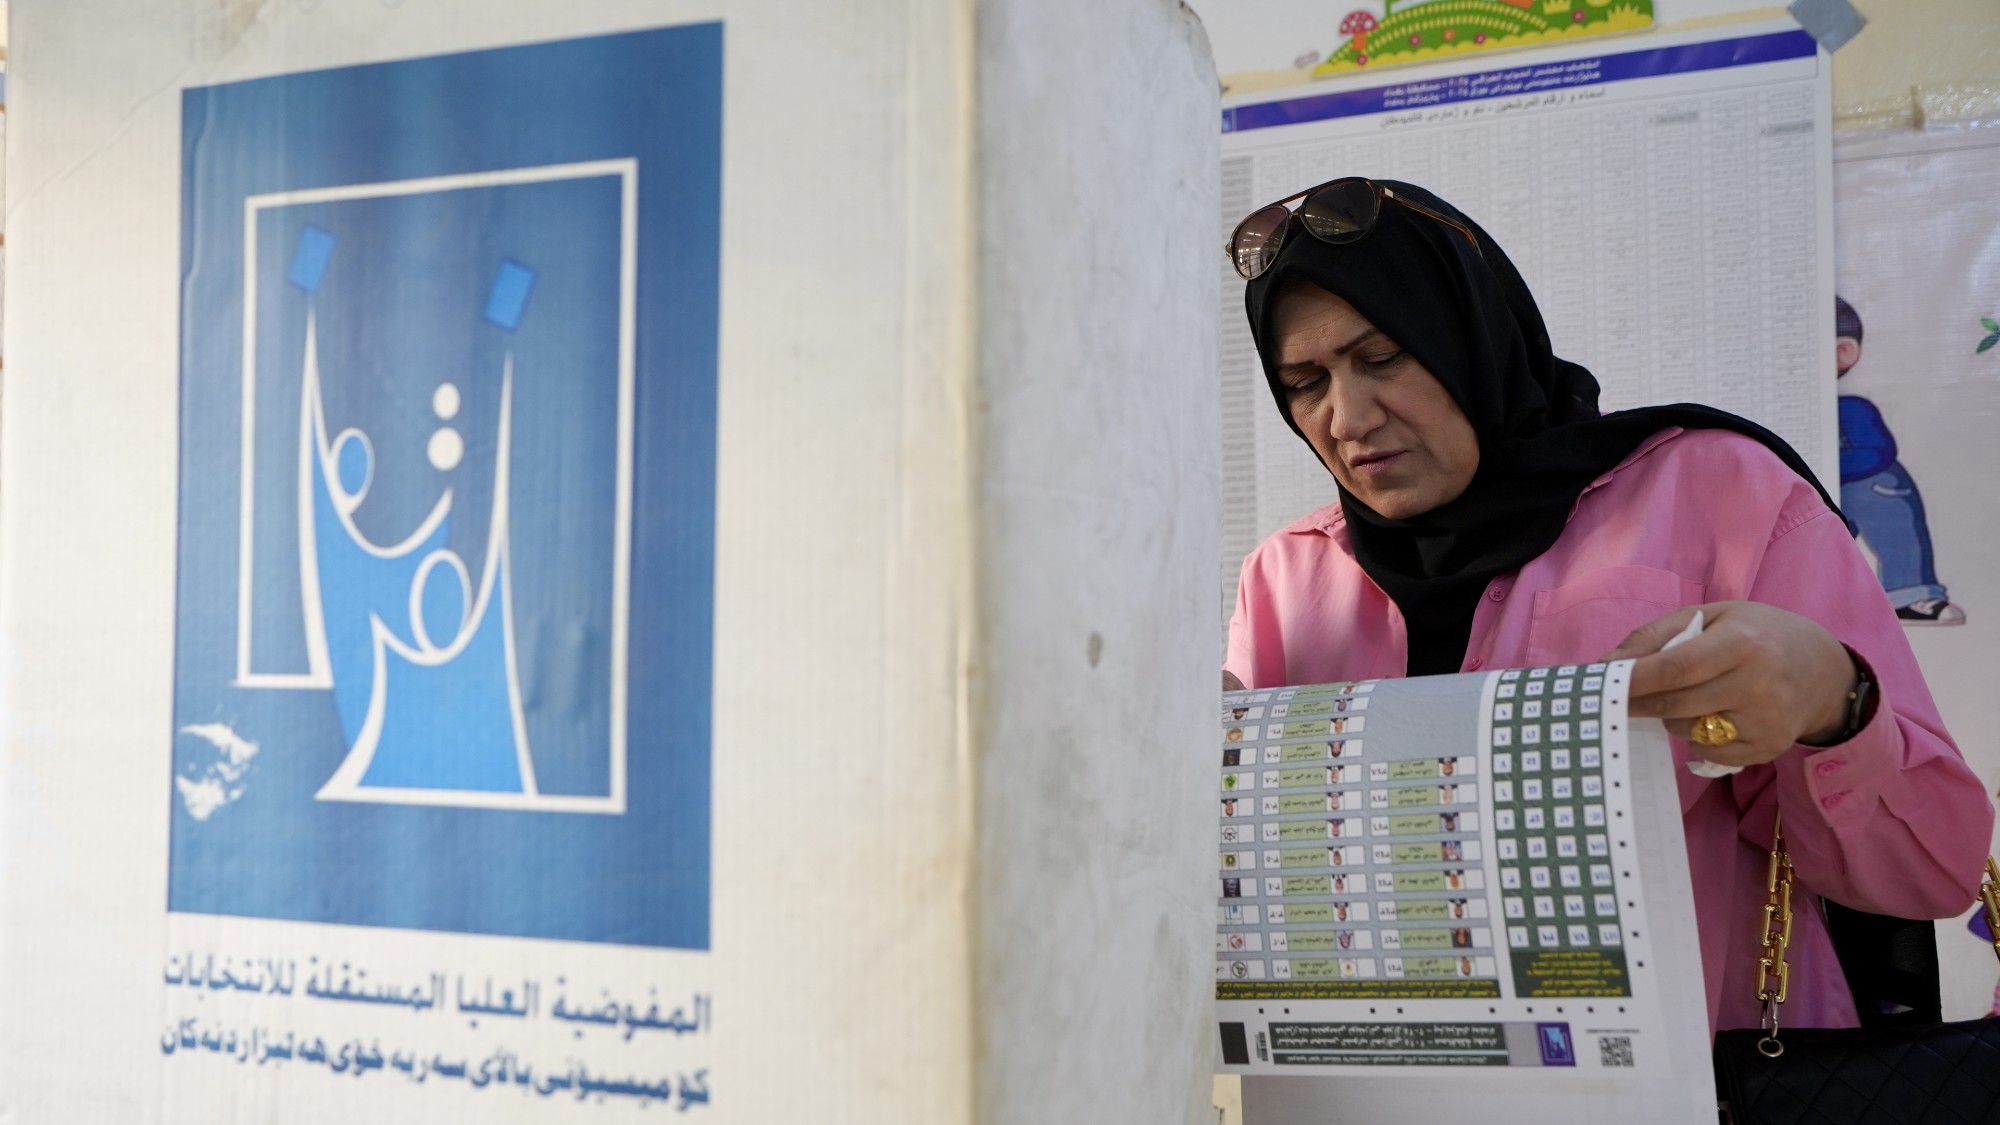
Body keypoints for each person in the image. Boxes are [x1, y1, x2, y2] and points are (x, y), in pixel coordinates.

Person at [1220, 177, 1994, 1033]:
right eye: (1303, 381)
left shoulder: (1719, 494)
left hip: (1702, 1086)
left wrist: (1833, 703)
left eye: (1381, 358)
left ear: (1469, 334)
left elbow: (1932, 874)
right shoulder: (1284, 580)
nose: (1347, 416)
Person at [1835, 296, 1964, 625]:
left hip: (1866, 486)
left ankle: (1911, 592)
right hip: (1811, 496)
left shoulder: (1851, 408)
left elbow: (1875, 453)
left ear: (1843, 352)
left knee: (1889, 507)